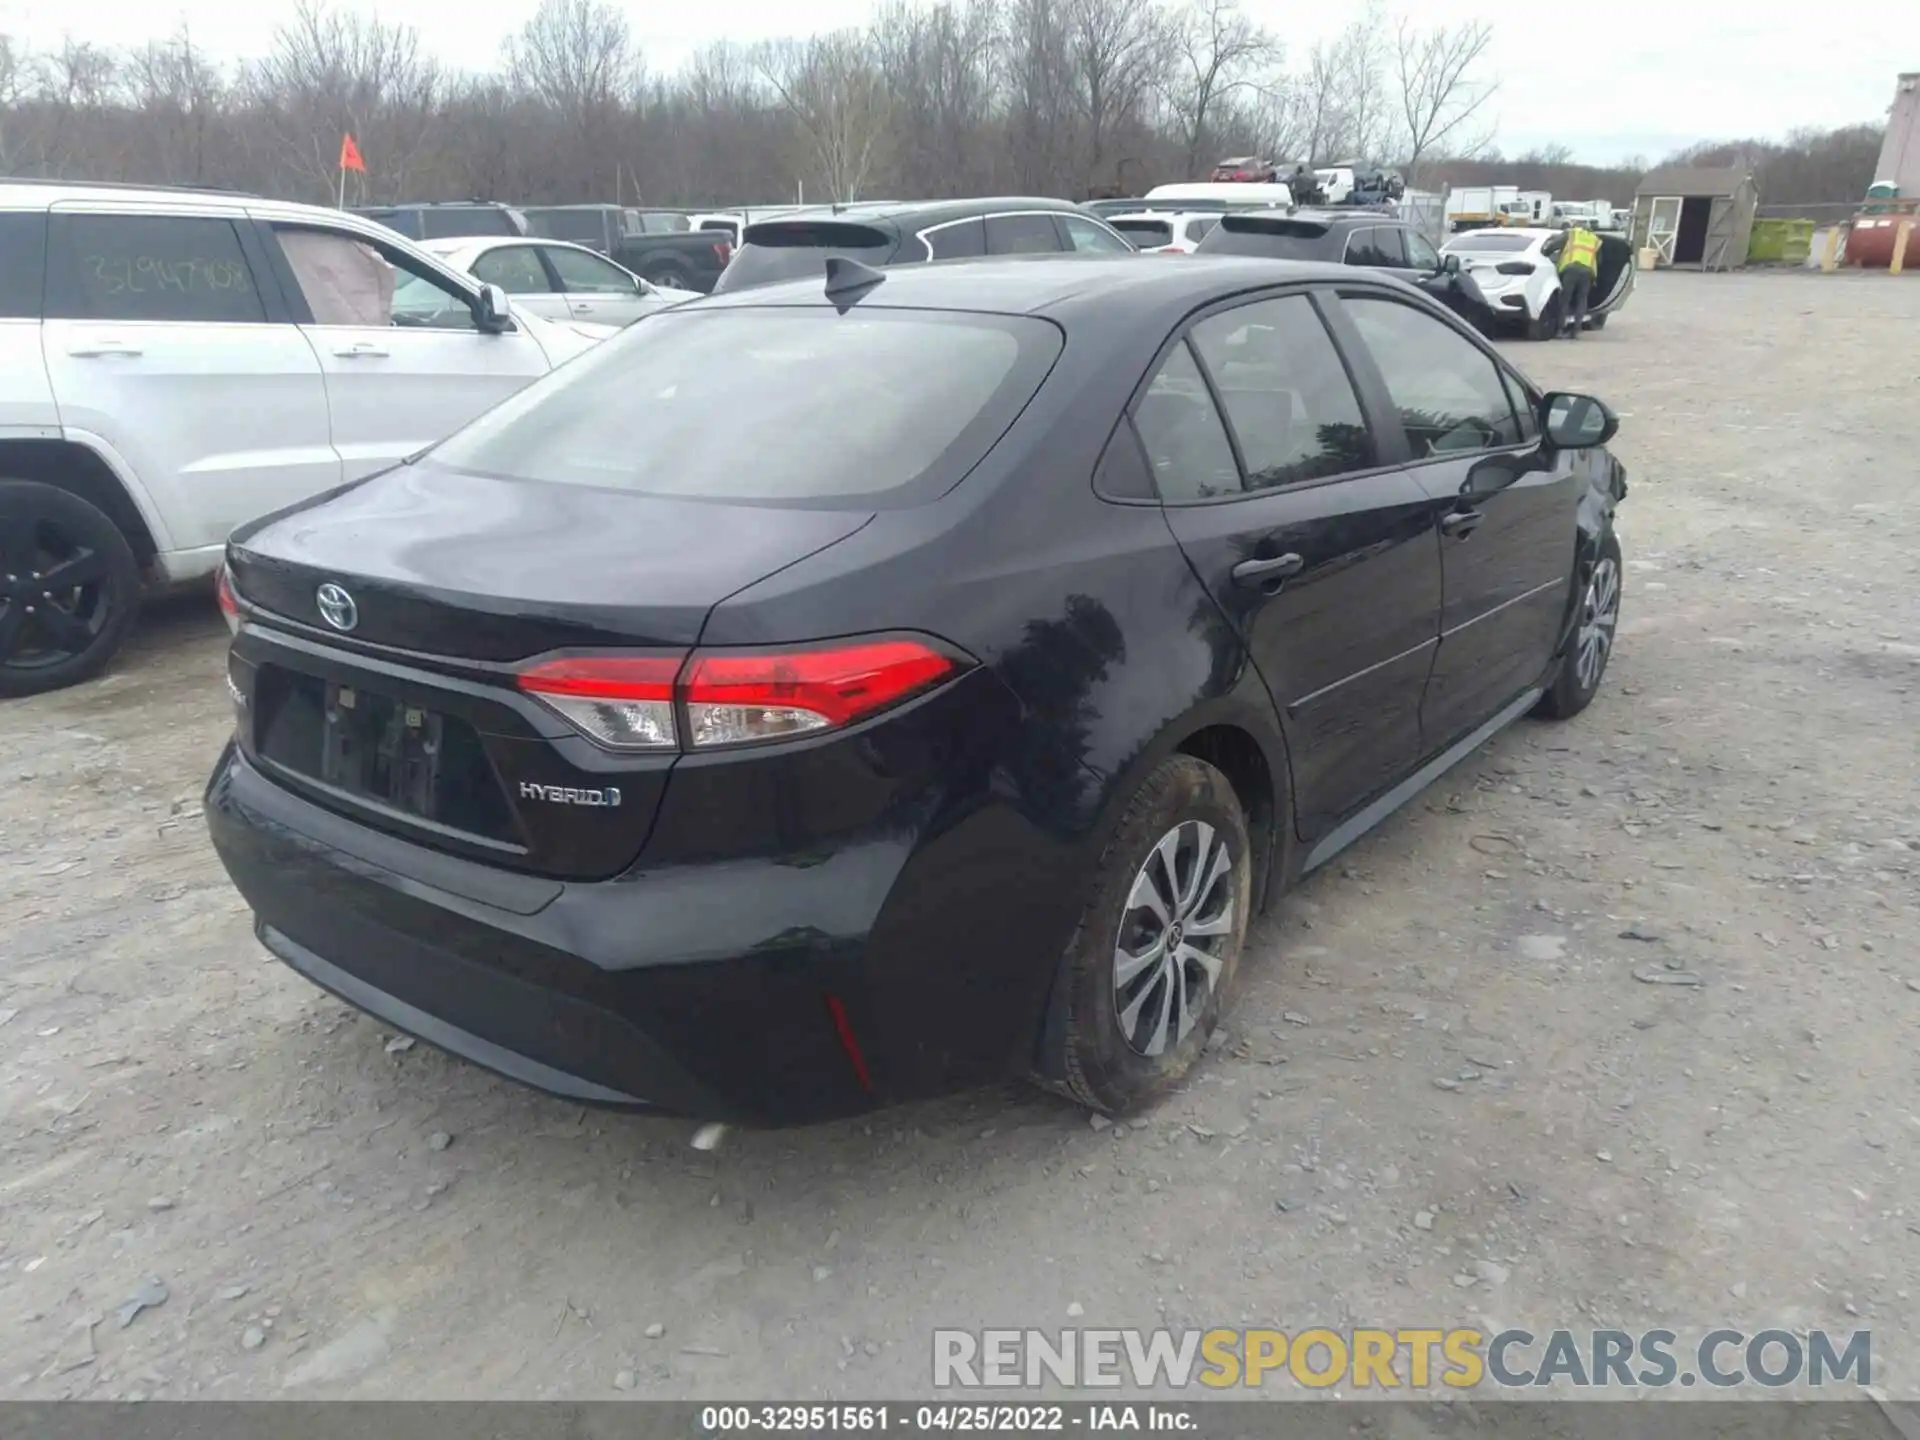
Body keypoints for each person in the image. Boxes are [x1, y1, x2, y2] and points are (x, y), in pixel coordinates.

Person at [1557, 221, 1601, 338]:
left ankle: (1560, 329)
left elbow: (1552, 246)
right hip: (1587, 272)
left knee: (1565, 299)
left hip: (1571, 269)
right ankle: (1576, 330)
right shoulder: (1594, 239)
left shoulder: (1571, 234)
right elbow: (1599, 260)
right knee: (1582, 299)